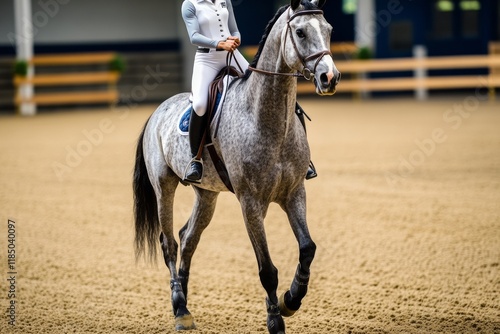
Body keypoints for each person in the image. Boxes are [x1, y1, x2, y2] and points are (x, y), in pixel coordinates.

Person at [181, 0, 317, 184]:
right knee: (199, 104)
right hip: (207, 60)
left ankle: (304, 158)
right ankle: (195, 160)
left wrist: (236, 38)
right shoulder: (190, 4)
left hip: (233, 54)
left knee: (275, 89)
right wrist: (219, 43)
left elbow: (234, 30)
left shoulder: (224, 1)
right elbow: (194, 36)